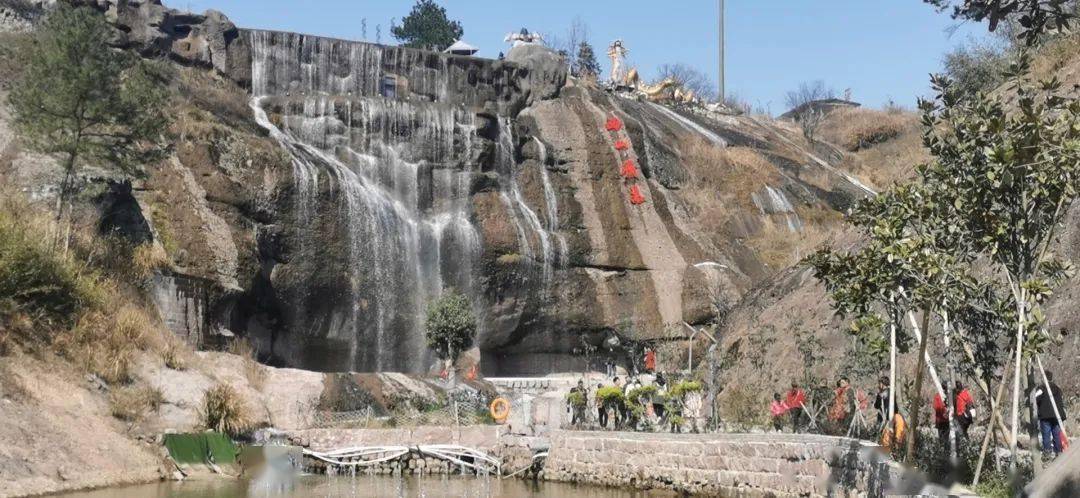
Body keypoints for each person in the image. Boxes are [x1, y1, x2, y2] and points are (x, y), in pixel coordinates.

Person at [1034, 371, 1068, 456]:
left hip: (1046, 415)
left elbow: (1034, 398)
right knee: (1056, 433)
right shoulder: (1057, 389)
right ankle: (1059, 451)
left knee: (1046, 434)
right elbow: (1061, 400)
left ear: (1044, 378)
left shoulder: (1042, 388)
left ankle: (1047, 452)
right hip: (1057, 416)